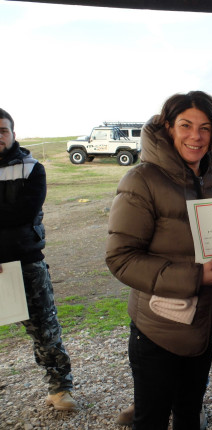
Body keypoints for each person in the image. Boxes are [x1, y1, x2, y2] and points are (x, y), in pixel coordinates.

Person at [106, 91, 212, 430]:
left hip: (206, 323)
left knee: (190, 415)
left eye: (205, 127)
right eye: (186, 125)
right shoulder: (141, 180)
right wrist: (194, 278)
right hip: (158, 329)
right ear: (168, 126)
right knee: (150, 419)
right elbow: (121, 258)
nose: (196, 136)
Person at [0, 108, 78, 411]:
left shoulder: (32, 169)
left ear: (13, 134)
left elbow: (23, 213)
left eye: (3, 130)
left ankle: (60, 390)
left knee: (45, 331)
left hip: (25, 263)